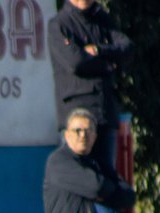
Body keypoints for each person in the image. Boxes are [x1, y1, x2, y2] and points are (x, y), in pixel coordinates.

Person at [47, 0, 133, 175]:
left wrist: (99, 50)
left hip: (105, 114)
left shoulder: (102, 19)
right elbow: (76, 63)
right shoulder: (59, 24)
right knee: (79, 179)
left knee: (106, 180)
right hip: (76, 116)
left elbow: (127, 48)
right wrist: (108, 66)